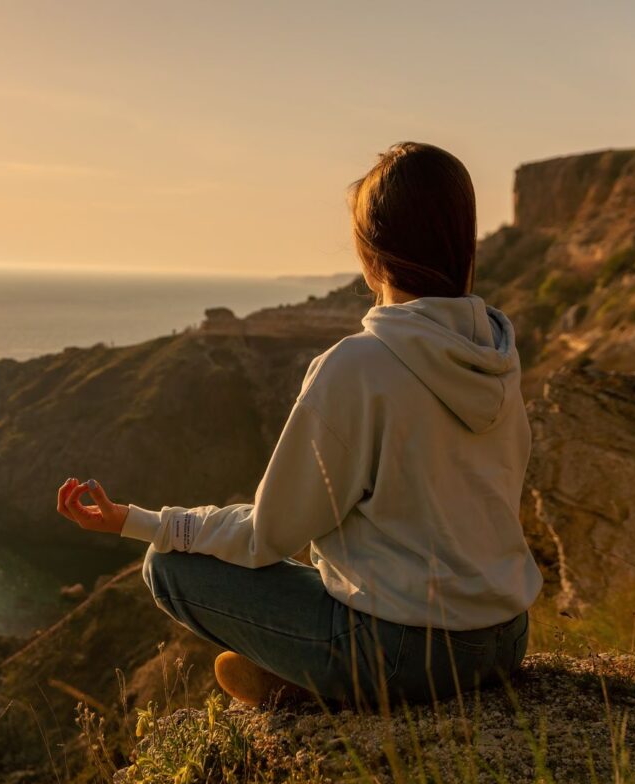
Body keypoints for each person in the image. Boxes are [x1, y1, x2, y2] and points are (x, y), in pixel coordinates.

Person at [55, 142, 542, 709]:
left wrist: (138, 522)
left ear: (371, 254)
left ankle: (312, 685)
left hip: (408, 659)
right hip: (505, 640)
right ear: (465, 240)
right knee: (331, 580)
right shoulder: (496, 355)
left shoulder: (359, 365)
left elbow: (269, 535)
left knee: (167, 567)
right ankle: (308, 676)